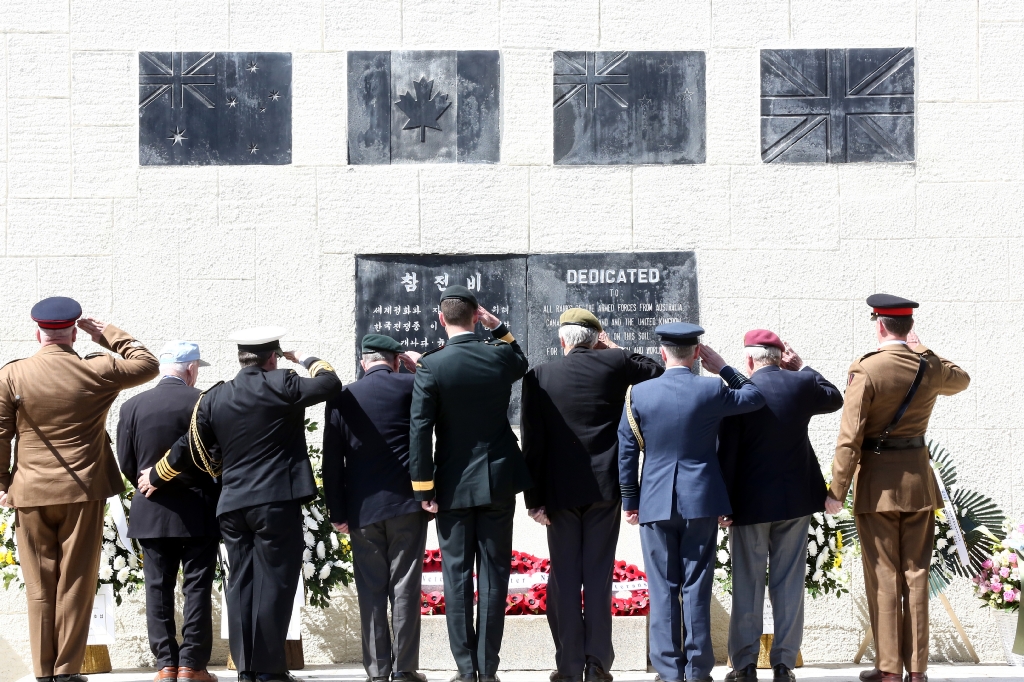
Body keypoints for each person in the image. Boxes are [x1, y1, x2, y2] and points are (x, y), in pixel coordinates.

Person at [137, 327, 341, 682]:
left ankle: (247, 668)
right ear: (272, 357)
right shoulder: (284, 383)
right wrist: (306, 359)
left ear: (240, 357)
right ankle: (269, 669)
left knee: (241, 585)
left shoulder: (215, 396)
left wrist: (156, 474)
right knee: (275, 584)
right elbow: (330, 383)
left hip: (232, 505)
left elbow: (188, 444)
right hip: (276, 501)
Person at [0, 297, 159, 682]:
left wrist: (3, 485)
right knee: (75, 582)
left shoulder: (12, 375)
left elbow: (0, 435)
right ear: (73, 331)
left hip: (30, 492)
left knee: (40, 585)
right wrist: (106, 333)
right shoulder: (99, 370)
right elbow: (149, 364)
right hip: (82, 490)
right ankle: (67, 671)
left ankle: (43, 670)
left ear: (37, 332)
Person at [826, 296, 969, 682]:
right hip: (918, 486)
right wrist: (921, 348)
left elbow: (849, 438)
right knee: (916, 574)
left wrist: (836, 490)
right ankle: (918, 670)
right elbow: (962, 378)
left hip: (877, 488)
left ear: (879, 325)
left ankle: (889, 668)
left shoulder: (867, 369)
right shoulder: (929, 366)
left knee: (884, 575)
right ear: (907, 327)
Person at [521, 308, 663, 682]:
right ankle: (597, 664)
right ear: (596, 338)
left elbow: (532, 443)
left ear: (562, 339)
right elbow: (656, 370)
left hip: (558, 492)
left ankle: (568, 666)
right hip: (605, 487)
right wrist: (614, 348)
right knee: (598, 575)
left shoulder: (540, 374)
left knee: (565, 577)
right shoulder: (614, 363)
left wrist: (533, 499)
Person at [618, 323, 765, 682]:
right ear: (698, 354)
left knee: (663, 587)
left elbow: (626, 450)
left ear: (663, 353)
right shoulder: (712, 387)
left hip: (655, 500)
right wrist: (725, 368)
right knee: (696, 583)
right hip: (700, 499)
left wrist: (630, 500)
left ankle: (669, 669)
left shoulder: (638, 393)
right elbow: (756, 397)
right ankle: (698, 669)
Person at [408, 285, 531, 682]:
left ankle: (465, 671)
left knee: (456, 578)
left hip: (452, 484)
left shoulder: (432, 365)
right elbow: (520, 361)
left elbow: (420, 429)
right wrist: (500, 329)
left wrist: (423, 487)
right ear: (476, 316)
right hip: (497, 480)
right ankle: (488, 669)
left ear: (441, 319)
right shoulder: (497, 356)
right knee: (495, 577)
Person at [717, 330, 844, 682]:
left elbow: (727, 453)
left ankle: (743, 665)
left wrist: (723, 503)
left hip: (749, 503)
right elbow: (834, 398)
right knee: (789, 584)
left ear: (749, 360)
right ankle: (783, 664)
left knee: (748, 583)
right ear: (780, 357)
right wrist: (803, 366)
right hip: (794, 501)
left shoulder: (739, 394)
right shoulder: (800, 384)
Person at [322, 334, 429, 682]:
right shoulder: (410, 386)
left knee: (371, 590)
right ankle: (405, 669)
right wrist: (419, 366)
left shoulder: (342, 397)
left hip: (362, 510)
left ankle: (378, 671)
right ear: (396, 361)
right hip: (407, 505)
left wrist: (337, 512)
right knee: (405, 587)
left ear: (363, 362)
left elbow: (332, 463)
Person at [117, 341, 220, 682]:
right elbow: (217, 458)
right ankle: (192, 665)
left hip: (152, 509)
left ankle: (165, 665)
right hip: (199, 509)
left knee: (157, 588)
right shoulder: (205, 401)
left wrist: (150, 484)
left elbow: (127, 463)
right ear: (191, 369)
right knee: (197, 588)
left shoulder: (132, 406)